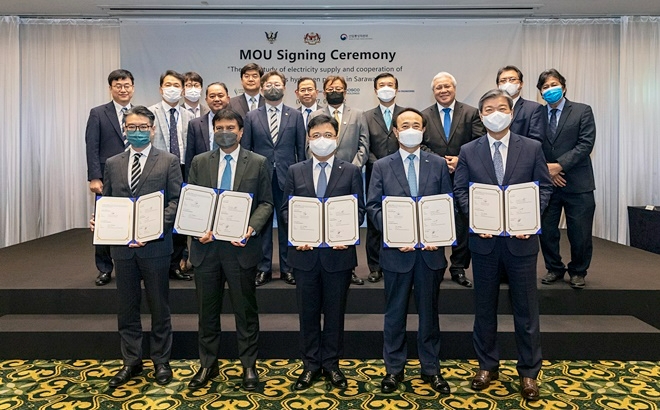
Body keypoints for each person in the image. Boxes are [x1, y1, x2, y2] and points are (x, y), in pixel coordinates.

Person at [453, 89, 553, 402]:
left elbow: (544, 188)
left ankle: (528, 372)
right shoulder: (468, 150)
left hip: (521, 244)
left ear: (511, 113)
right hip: (484, 244)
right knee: (484, 309)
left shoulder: (532, 147)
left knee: (526, 311)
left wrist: (529, 220)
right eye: (488, 109)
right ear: (481, 116)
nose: (495, 113)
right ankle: (487, 365)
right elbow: (461, 191)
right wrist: (477, 220)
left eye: (500, 108)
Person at [92, 105, 182, 388]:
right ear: (125, 130)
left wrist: (152, 228)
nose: (138, 131)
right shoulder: (113, 163)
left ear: (153, 130)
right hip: (123, 249)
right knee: (127, 308)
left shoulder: (168, 161)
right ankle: (131, 361)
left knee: (159, 307)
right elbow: (108, 200)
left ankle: (161, 361)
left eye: (143, 127)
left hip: (155, 247)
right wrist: (101, 219)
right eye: (132, 127)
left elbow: (176, 201)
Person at [366, 108, 453, 395]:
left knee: (429, 314)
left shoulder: (438, 164)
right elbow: (373, 206)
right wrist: (394, 233)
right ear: (395, 131)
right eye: (405, 125)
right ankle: (394, 369)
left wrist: (438, 236)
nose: (411, 129)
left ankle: (431, 368)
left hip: (430, 252)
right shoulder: (382, 166)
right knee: (394, 314)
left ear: (424, 130)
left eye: (416, 125)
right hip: (397, 253)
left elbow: (447, 203)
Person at [187, 109, 274, 391]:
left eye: (230, 127)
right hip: (206, 248)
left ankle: (248, 365)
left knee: (245, 312)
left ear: (241, 131)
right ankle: (207, 364)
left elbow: (266, 203)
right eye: (219, 128)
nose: (225, 132)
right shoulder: (200, 162)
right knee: (206, 312)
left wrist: (251, 227)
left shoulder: (258, 163)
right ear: (213, 131)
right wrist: (196, 228)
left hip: (241, 248)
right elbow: (192, 201)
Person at [282, 114, 365, 391]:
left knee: (334, 313)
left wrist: (347, 234)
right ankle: (309, 365)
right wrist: (297, 234)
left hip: (338, 256)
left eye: (328, 135)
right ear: (308, 139)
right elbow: (286, 210)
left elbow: (359, 210)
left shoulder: (350, 171)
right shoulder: (295, 171)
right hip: (304, 255)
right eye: (316, 135)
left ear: (336, 138)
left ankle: (331, 364)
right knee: (307, 314)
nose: (322, 140)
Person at [421, 71, 486, 288]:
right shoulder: (424, 115)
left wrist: (460, 159)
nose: (443, 90)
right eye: (438, 87)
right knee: (436, 220)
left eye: (447, 86)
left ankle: (458, 267)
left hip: (464, 175)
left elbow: (479, 140)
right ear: (433, 92)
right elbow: (420, 145)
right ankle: (437, 265)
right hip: (434, 177)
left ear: (454, 88)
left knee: (462, 223)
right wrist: (439, 161)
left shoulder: (471, 113)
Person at [241, 70, 306, 287]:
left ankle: (288, 268)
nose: (273, 88)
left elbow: (300, 150)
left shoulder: (295, 115)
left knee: (288, 223)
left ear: (285, 88)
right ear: (261, 89)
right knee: (263, 224)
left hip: (288, 177)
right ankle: (263, 268)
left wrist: (302, 178)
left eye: (277, 84)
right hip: (260, 177)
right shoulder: (252, 116)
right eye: (268, 84)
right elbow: (246, 150)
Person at [534, 69, 596, 289]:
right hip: (547, 184)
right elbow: (531, 145)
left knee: (580, 232)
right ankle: (554, 268)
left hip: (578, 183)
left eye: (554, 84)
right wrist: (547, 171)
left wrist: (559, 166)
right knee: (547, 231)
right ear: (540, 92)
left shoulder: (582, 110)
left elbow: (585, 144)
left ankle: (578, 271)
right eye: (545, 87)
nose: (550, 89)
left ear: (564, 86)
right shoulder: (536, 114)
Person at [310, 75, 370, 285]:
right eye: (330, 88)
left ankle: (348, 269)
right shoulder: (315, 115)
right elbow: (309, 145)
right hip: (321, 174)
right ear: (323, 92)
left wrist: (352, 168)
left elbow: (363, 145)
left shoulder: (358, 114)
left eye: (338, 88)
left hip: (348, 177)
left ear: (345, 91)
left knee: (345, 218)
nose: (334, 91)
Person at [85, 69, 135, 286]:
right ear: (111, 88)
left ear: (133, 88)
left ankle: (133, 265)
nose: (123, 89)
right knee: (105, 221)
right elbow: (92, 146)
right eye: (118, 86)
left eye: (126, 85)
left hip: (135, 174)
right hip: (107, 176)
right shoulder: (98, 113)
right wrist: (94, 177)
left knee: (133, 218)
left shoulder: (139, 113)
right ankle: (104, 268)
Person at [149, 70, 194, 281]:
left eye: (177, 85)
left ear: (183, 90)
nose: (172, 89)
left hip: (182, 170)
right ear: (160, 89)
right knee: (157, 214)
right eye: (168, 85)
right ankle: (154, 264)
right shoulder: (150, 113)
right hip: (157, 169)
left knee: (179, 218)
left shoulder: (190, 116)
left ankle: (175, 264)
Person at [364, 73, 405, 283]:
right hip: (374, 173)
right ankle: (375, 266)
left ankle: (398, 261)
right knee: (374, 219)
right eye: (382, 85)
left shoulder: (405, 114)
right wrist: (380, 164)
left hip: (401, 173)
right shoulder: (366, 116)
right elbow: (365, 145)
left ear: (396, 89)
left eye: (390, 84)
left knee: (400, 215)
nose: (386, 88)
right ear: (375, 90)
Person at [185, 82, 231, 178]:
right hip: (203, 175)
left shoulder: (238, 122)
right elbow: (190, 157)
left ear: (228, 98)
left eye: (220, 96)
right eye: (212, 96)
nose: (216, 99)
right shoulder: (195, 124)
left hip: (230, 172)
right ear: (206, 100)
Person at [496, 65, 542, 141]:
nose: (507, 83)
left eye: (512, 79)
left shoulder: (533, 108)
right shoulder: (491, 109)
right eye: (503, 81)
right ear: (498, 86)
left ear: (521, 84)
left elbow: (536, 140)